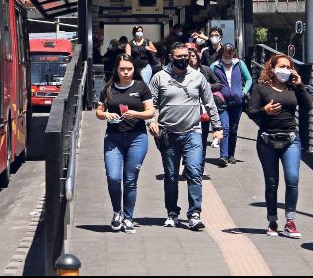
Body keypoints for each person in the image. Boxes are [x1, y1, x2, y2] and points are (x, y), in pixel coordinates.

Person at [148, 43, 223, 230]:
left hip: (193, 132)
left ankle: (194, 214)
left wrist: (217, 127)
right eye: (179, 56)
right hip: (169, 134)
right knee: (171, 176)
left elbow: (209, 102)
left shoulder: (198, 77)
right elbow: (150, 104)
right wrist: (151, 122)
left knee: (194, 172)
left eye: (186, 55)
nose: (183, 59)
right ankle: (172, 213)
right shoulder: (159, 77)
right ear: (171, 57)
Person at [247, 54, 312, 238]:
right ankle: (272, 220)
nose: (284, 70)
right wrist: (264, 111)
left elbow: (308, 106)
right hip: (267, 139)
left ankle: (290, 220)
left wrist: (300, 85)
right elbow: (251, 111)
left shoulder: (293, 88)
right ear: (272, 68)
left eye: (288, 67)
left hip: (291, 139)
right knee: (272, 183)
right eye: (281, 66)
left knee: (292, 179)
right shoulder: (261, 88)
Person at [95, 54, 155, 234]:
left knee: (130, 180)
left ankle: (128, 218)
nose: (126, 72)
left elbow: (150, 112)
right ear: (117, 70)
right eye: (122, 69)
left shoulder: (141, 87)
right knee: (113, 177)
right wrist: (106, 115)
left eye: (129, 69)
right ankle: (117, 212)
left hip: (137, 138)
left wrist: (135, 114)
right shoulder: (108, 89)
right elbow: (98, 111)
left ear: (134, 69)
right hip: (113, 138)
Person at [211, 43, 252, 167]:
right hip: (222, 102)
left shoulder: (239, 64)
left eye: (230, 53)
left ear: (233, 53)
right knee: (225, 127)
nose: (228, 55)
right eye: (226, 53)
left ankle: (231, 154)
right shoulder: (215, 66)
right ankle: (223, 155)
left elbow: (249, 79)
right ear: (222, 53)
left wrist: (244, 92)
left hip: (237, 102)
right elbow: (208, 79)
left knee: (233, 129)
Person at [188, 46, 225, 175]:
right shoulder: (183, 72)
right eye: (189, 56)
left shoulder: (206, 70)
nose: (191, 59)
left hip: (203, 110)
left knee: (202, 140)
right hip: (188, 111)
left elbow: (219, 84)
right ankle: (188, 165)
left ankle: (200, 168)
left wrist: (208, 86)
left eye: (193, 56)